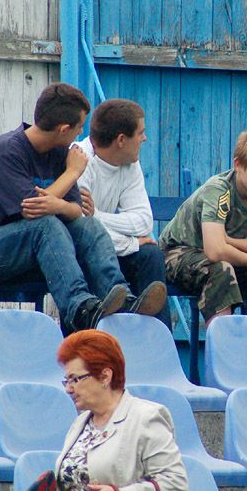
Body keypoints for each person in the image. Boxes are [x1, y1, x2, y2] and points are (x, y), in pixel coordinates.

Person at [0, 82, 166, 332]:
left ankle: (122, 301)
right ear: (64, 129)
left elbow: (76, 211)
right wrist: (72, 173)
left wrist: (58, 204)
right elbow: (33, 211)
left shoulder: (60, 152)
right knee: (47, 226)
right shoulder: (8, 151)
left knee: (87, 225)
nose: (82, 134)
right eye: (79, 127)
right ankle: (80, 309)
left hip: (27, 254)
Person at [51, 329, 190, 491]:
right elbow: (79, 483)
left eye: (75, 379)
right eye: (66, 381)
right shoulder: (81, 423)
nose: (69, 389)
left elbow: (175, 482)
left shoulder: (146, 417)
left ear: (105, 375)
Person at [159, 128, 247, 324]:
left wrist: (229, 242)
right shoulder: (218, 189)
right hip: (177, 253)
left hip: (224, 253)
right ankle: (222, 346)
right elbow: (215, 252)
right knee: (220, 269)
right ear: (238, 165)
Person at [75, 99, 171, 329]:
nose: (145, 139)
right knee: (101, 254)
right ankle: (104, 336)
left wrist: (97, 216)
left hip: (109, 247)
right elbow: (80, 231)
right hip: (83, 254)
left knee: (151, 255)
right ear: (121, 140)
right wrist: (131, 244)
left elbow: (143, 221)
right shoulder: (79, 160)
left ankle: (157, 341)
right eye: (141, 133)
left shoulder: (129, 163)